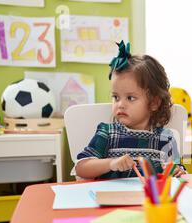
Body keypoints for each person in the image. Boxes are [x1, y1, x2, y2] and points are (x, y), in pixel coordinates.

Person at [76, 41, 186, 179]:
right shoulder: (107, 133)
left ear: (154, 103)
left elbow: (178, 171)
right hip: (111, 199)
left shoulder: (166, 138)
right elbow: (81, 168)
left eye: (130, 98)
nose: (120, 104)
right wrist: (111, 163)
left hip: (150, 200)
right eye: (116, 97)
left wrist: (176, 171)